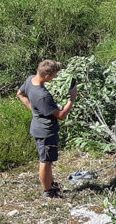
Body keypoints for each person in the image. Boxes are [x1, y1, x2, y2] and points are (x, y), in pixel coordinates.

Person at [17, 60, 78, 199]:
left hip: (39, 127)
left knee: (48, 160)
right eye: (54, 75)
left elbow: (20, 93)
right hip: (45, 131)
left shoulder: (30, 80)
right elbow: (61, 115)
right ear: (47, 76)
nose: (55, 77)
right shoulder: (42, 95)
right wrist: (72, 99)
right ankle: (48, 192)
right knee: (45, 161)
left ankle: (50, 184)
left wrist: (34, 110)